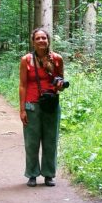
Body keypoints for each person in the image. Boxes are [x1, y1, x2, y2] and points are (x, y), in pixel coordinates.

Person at [19, 28, 64, 187]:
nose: (41, 41)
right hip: (31, 105)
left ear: (48, 40)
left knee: (50, 140)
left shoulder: (57, 58)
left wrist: (58, 83)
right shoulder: (26, 60)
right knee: (31, 141)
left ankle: (48, 174)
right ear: (33, 41)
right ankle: (32, 174)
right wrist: (22, 109)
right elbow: (23, 85)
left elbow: (60, 82)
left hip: (51, 104)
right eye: (37, 38)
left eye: (44, 38)